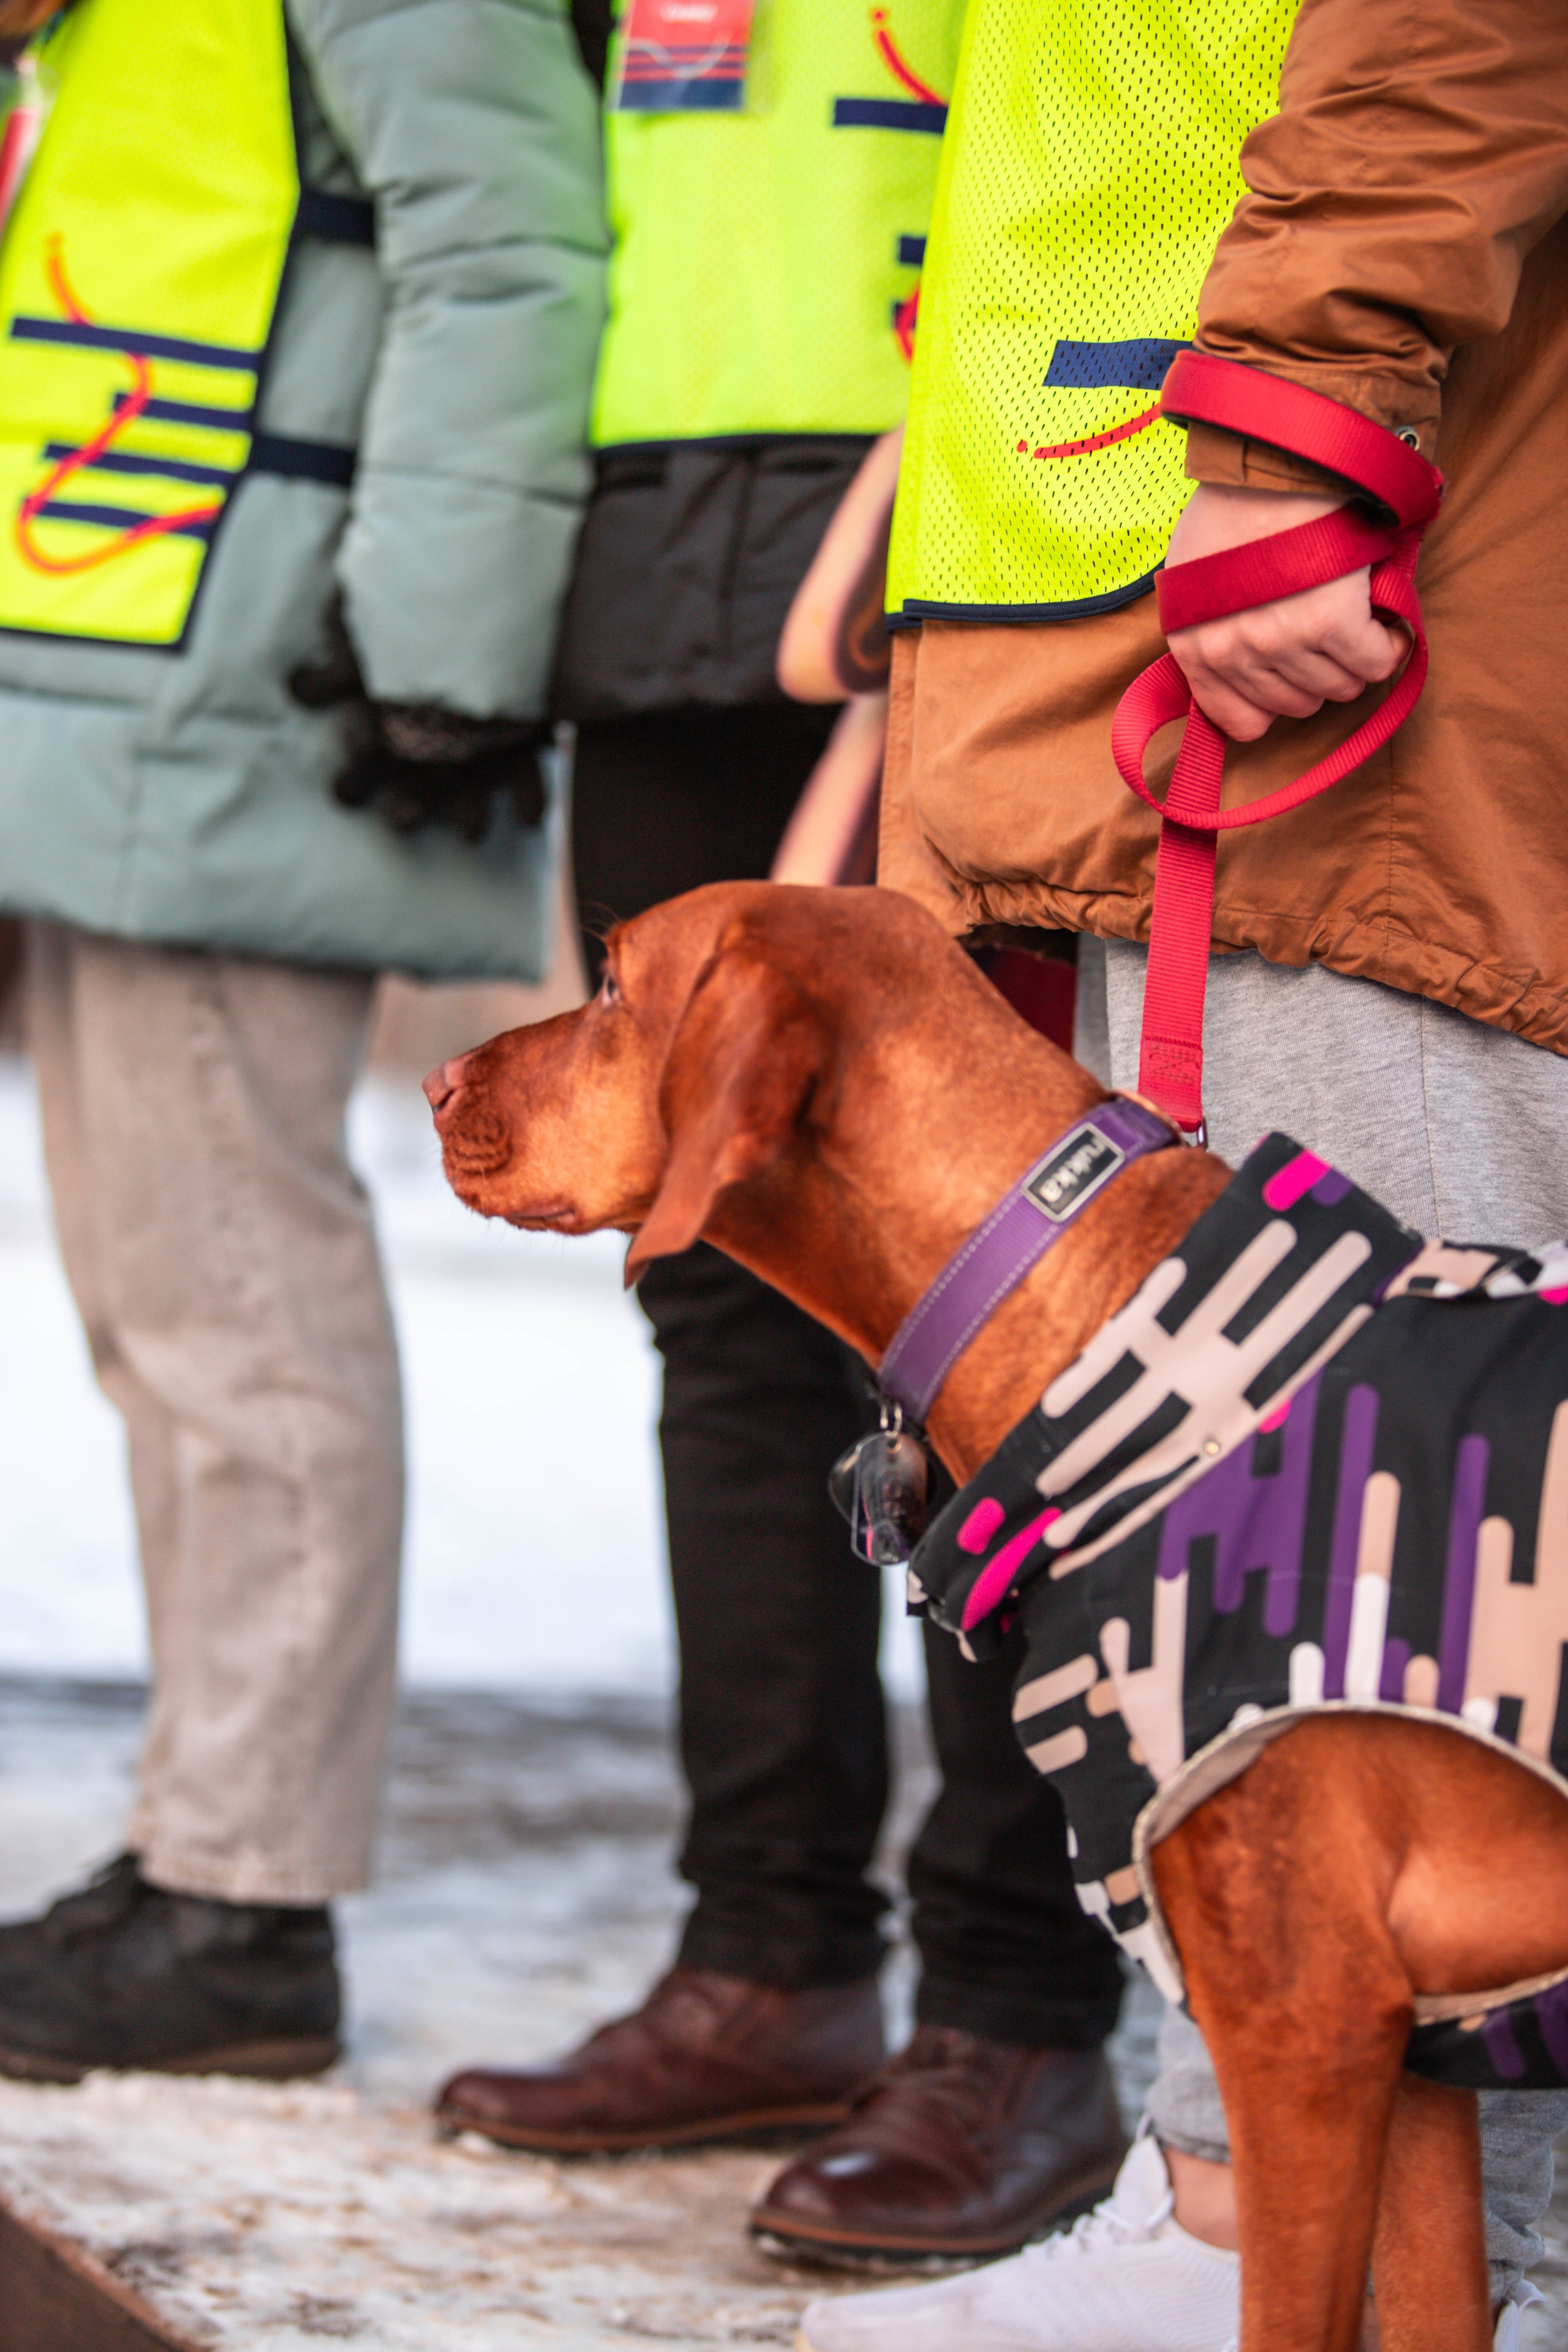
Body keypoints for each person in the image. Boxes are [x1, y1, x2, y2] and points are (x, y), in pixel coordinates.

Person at [790, 0, 1568, 2344]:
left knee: (1383, 1556)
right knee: (1237, 1548)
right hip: (1168, 573)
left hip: (1327, 559)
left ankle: (1438, 2253)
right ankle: (1270, 2210)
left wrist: (1311, 405)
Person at [432, 0, 1130, 2264]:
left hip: (994, 527)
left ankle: (1016, 2015)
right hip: (660, 568)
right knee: (707, 1294)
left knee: (991, 1310)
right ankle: (771, 1957)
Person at [0, 0, 603, 2078]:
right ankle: (204, 1846)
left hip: (253, 701)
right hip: (116, 696)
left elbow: (511, 242)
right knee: (163, 1313)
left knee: (237, 1313)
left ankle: (246, 1901)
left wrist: (441, 650)